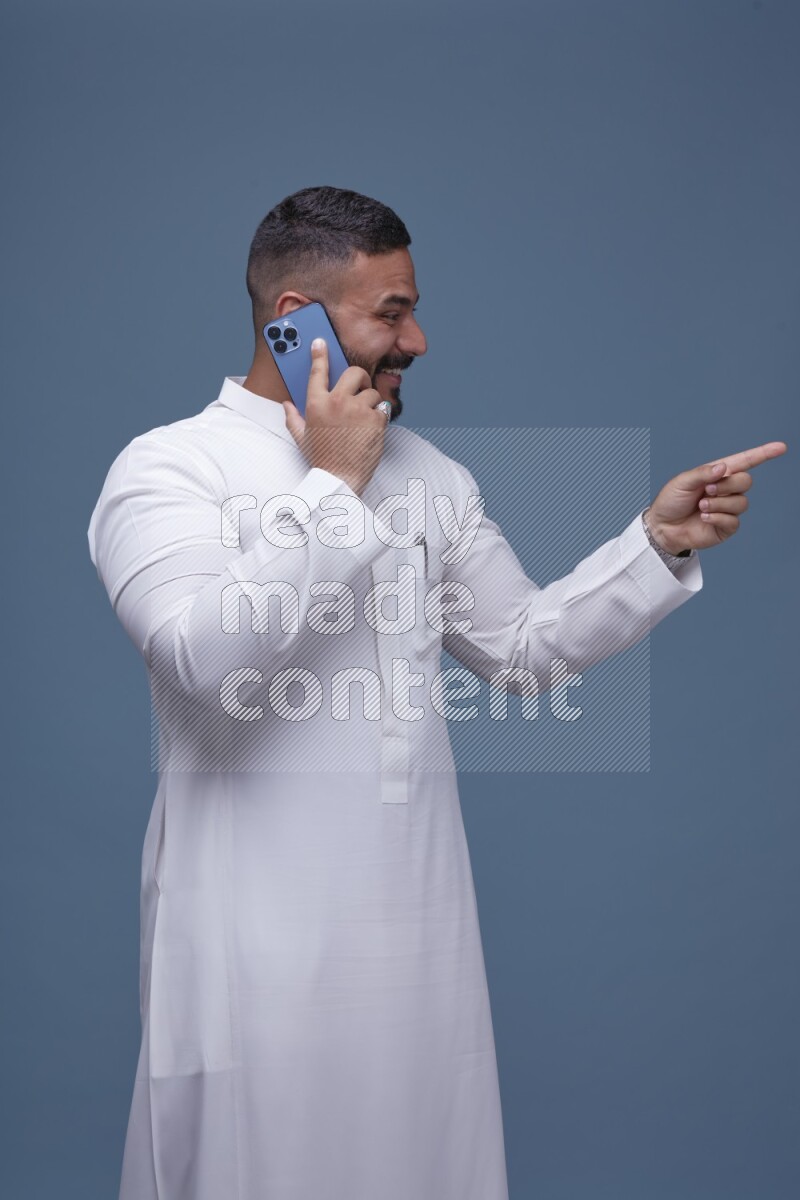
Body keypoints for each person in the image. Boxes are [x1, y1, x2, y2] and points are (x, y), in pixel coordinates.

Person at [87, 185, 786, 1200]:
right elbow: (203, 659)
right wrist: (330, 488)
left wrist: (652, 543)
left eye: (412, 309)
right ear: (293, 321)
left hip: (418, 946)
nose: (416, 340)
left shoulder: (430, 476)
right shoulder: (168, 470)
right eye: (390, 313)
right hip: (250, 947)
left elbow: (523, 648)